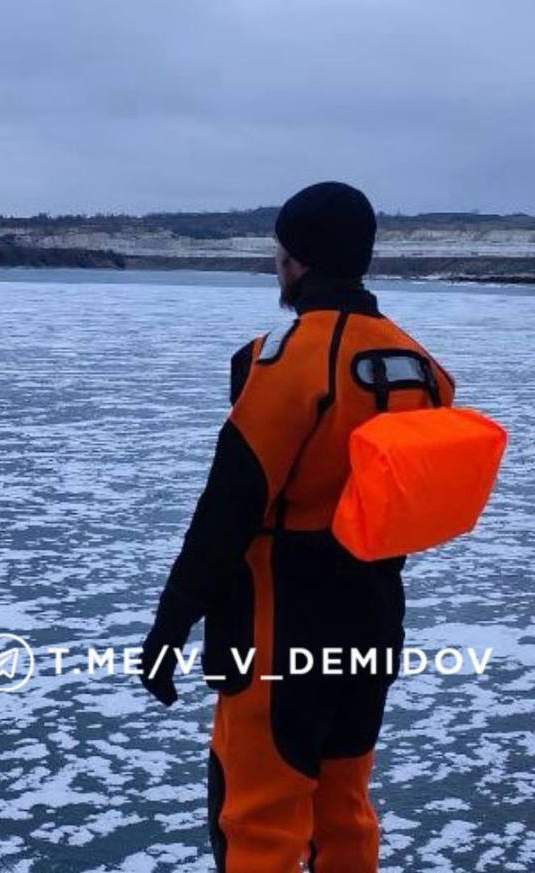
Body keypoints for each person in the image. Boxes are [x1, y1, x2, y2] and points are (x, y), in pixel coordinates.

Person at [138, 182, 456, 872]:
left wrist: (169, 627)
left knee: (257, 819)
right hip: (373, 618)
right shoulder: (423, 367)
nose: (276, 265)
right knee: (342, 810)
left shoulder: (283, 359)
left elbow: (227, 510)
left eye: (280, 252)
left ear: (299, 258)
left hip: (278, 627)